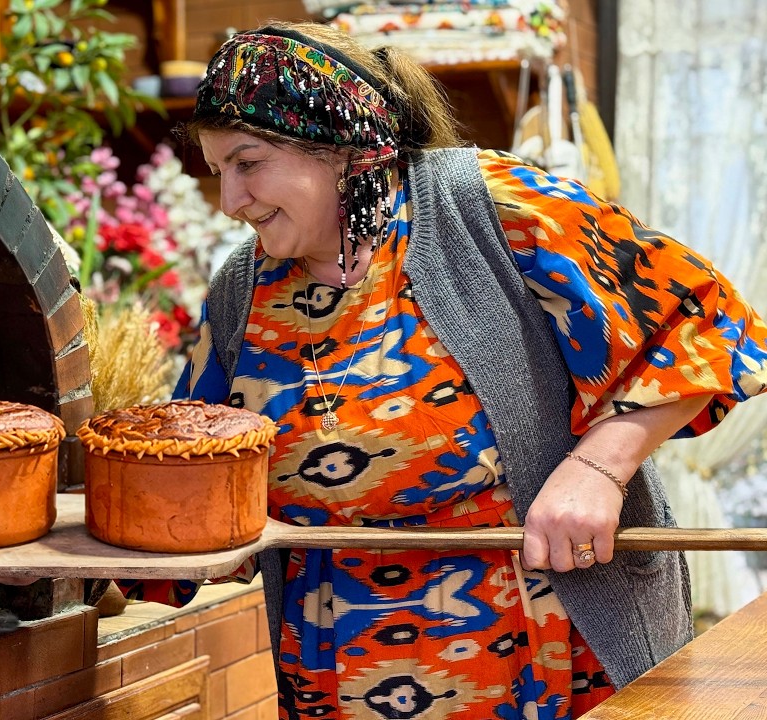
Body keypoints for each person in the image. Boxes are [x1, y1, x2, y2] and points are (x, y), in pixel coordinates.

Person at [116, 21, 767, 719]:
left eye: (248, 164)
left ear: (337, 148)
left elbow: (707, 320)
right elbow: (195, 478)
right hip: (339, 673)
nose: (230, 201)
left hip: (541, 656)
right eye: (218, 172)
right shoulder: (243, 291)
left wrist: (599, 469)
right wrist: (77, 555)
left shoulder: (485, 206)